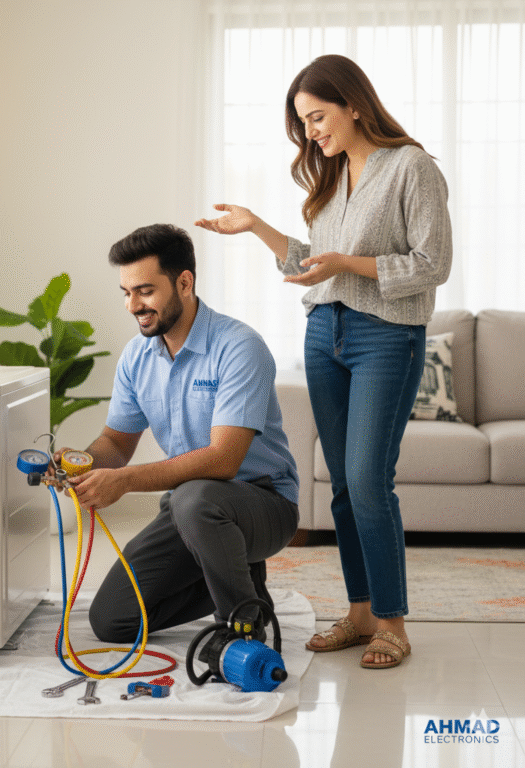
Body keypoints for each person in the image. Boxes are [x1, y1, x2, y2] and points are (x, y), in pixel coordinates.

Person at [195, 54, 452, 669]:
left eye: (317, 116)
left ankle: (393, 623)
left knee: (368, 481)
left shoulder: (411, 168)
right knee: (340, 486)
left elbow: (432, 263)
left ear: (354, 103)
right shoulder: (332, 177)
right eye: (303, 123)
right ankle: (360, 613)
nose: (311, 132)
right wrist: (256, 226)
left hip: (387, 336)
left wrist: (345, 265)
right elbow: (312, 263)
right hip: (324, 331)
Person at [55, 223, 300, 644]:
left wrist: (125, 482)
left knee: (194, 497)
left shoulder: (240, 347)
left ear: (184, 282)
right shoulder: (138, 355)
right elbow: (117, 442)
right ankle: (242, 579)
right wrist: (83, 463)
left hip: (262, 503)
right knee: (112, 620)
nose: (133, 305)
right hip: (192, 511)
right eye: (127, 293)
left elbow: (223, 461)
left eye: (145, 291)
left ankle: (242, 626)